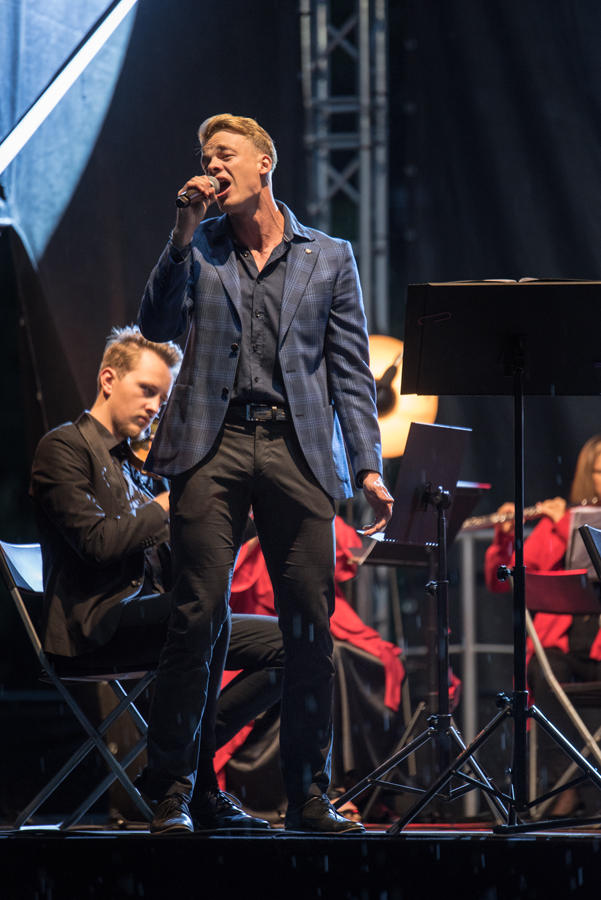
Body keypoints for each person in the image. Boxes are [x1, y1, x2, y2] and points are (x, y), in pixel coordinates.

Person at [138, 114, 393, 834]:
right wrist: (181, 233)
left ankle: (308, 795)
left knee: (310, 623)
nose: (212, 166)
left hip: (297, 447)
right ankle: (174, 790)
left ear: (264, 164)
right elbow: (156, 326)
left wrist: (367, 468)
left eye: (225, 154)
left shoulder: (329, 256)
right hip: (211, 445)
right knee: (198, 614)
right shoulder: (199, 246)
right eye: (205, 156)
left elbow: (350, 373)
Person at [30, 326, 284, 831]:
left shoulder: (136, 464)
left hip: (160, 618)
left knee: (292, 643)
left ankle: (181, 754)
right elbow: (98, 544)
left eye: (163, 399)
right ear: (108, 379)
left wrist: (236, 520)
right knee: (204, 607)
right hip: (95, 627)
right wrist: (171, 504)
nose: (155, 408)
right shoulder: (62, 449)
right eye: (147, 391)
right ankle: (189, 784)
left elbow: (172, 557)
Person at [485, 434, 601, 814]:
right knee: (542, 667)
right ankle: (564, 788)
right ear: (587, 476)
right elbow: (503, 580)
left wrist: (563, 525)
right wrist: (507, 536)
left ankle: (585, 793)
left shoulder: (563, 521)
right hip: (568, 649)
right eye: (600, 471)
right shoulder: (560, 522)